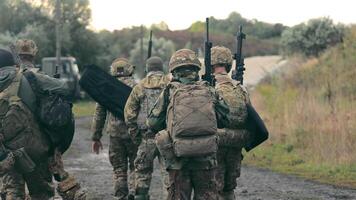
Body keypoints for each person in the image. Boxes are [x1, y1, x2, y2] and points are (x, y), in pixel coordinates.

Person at [147, 49, 231, 200]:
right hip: (206, 159)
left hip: (178, 161)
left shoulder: (169, 91)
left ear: (174, 70)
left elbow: (152, 122)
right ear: (196, 69)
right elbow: (226, 118)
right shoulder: (209, 90)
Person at [15, 39, 86, 200]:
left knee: (15, 185)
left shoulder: (9, 77)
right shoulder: (37, 76)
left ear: (18, 56)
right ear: (34, 54)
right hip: (39, 138)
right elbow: (63, 87)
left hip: (11, 139)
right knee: (43, 186)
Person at [91, 58, 137, 200]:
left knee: (119, 170)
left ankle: (120, 196)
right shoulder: (137, 86)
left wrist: (96, 137)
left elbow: (99, 114)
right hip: (134, 134)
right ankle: (135, 194)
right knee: (135, 168)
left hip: (115, 135)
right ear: (129, 69)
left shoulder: (107, 87)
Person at [124, 56, 169, 200]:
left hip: (146, 138)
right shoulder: (171, 85)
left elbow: (129, 115)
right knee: (169, 176)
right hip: (168, 138)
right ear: (162, 69)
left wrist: (136, 137)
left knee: (142, 174)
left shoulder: (139, 87)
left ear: (147, 69)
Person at [211, 46, 252, 200]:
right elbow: (250, 116)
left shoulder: (209, 87)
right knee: (229, 188)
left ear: (212, 64)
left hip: (217, 143)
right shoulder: (240, 88)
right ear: (228, 65)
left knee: (214, 187)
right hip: (237, 141)